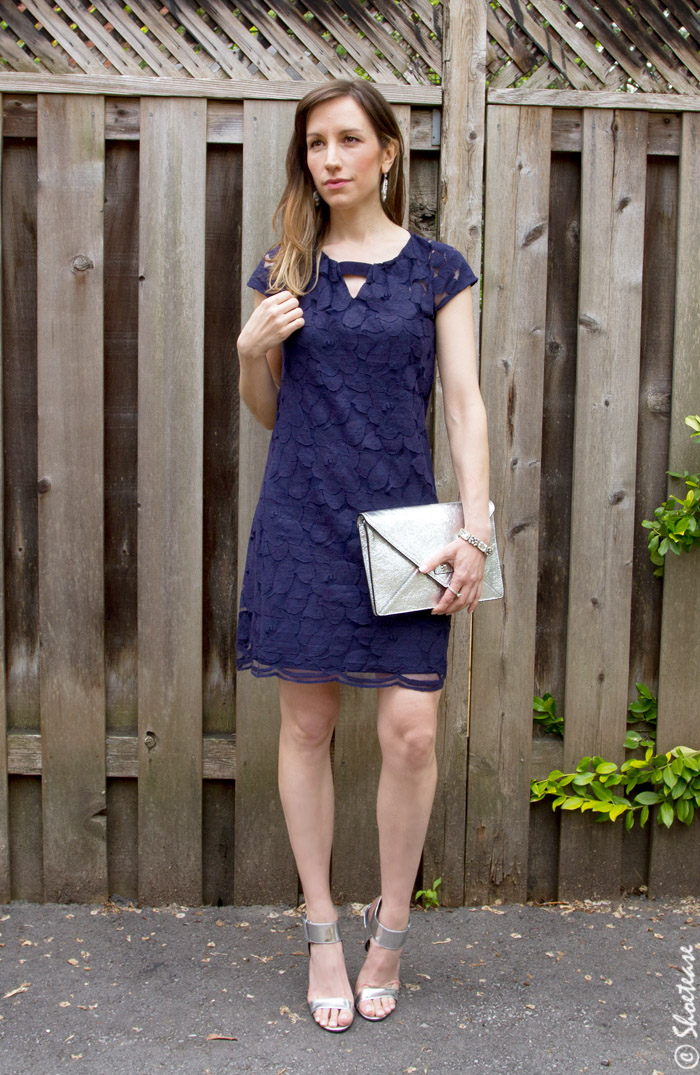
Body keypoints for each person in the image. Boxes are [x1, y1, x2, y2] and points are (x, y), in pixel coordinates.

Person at [236, 79, 490, 1033]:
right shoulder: (283, 270)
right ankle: (321, 931)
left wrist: (475, 525)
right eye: (315, 145)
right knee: (305, 729)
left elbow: (462, 404)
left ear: (388, 151)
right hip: (303, 523)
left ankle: (392, 928)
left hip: (409, 529)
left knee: (411, 732)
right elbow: (271, 414)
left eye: (349, 140)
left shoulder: (437, 271)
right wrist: (251, 349)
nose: (330, 159)